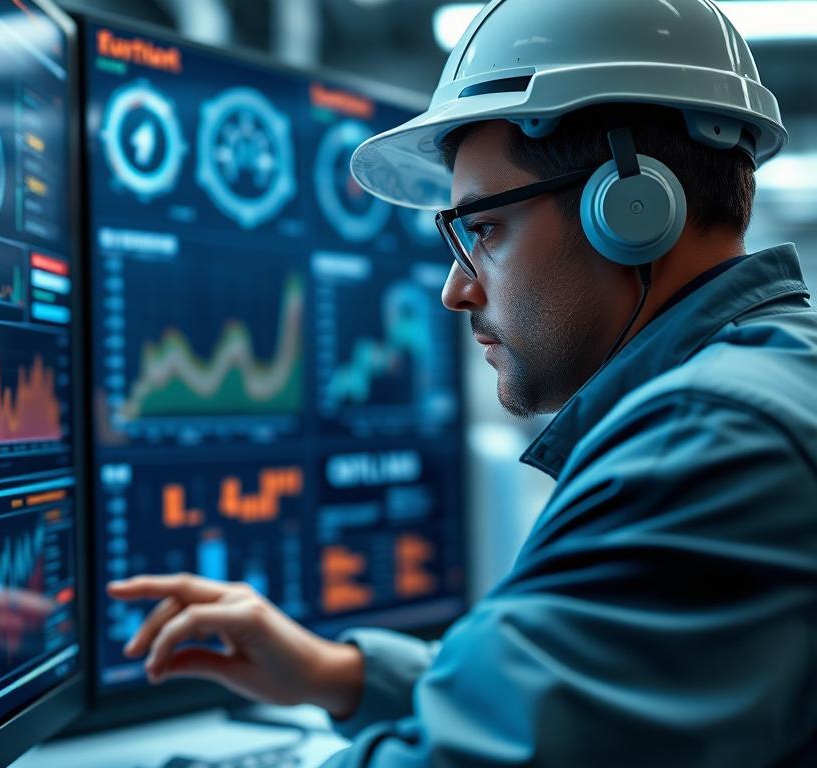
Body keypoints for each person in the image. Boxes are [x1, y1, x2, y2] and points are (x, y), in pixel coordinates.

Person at [108, 1, 817, 764]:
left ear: (631, 209)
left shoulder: (711, 441)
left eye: (481, 229)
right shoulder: (760, 381)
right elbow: (579, 698)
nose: (456, 289)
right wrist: (342, 674)